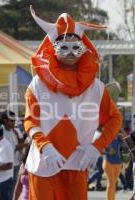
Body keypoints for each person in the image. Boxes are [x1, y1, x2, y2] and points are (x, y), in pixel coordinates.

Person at [24, 5, 123, 200]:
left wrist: (97, 146)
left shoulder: (96, 87)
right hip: (45, 164)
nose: (70, 52)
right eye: (64, 46)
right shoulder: (37, 84)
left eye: (75, 46)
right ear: (53, 47)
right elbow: (30, 121)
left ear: (83, 48)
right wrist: (45, 146)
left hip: (77, 162)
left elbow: (115, 118)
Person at [2, 111, 25, 186]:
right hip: (5, 165)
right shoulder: (0, 132)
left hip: (16, 163)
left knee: (14, 187)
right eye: (11, 120)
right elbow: (11, 148)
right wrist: (26, 144)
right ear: (5, 120)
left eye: (14, 120)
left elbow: (19, 144)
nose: (14, 122)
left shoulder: (15, 131)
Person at [104, 135, 124, 200]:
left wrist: (122, 133)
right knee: (111, 184)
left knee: (113, 184)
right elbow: (99, 149)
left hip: (118, 163)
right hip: (108, 162)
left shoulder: (118, 137)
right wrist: (108, 152)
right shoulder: (104, 136)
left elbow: (125, 144)